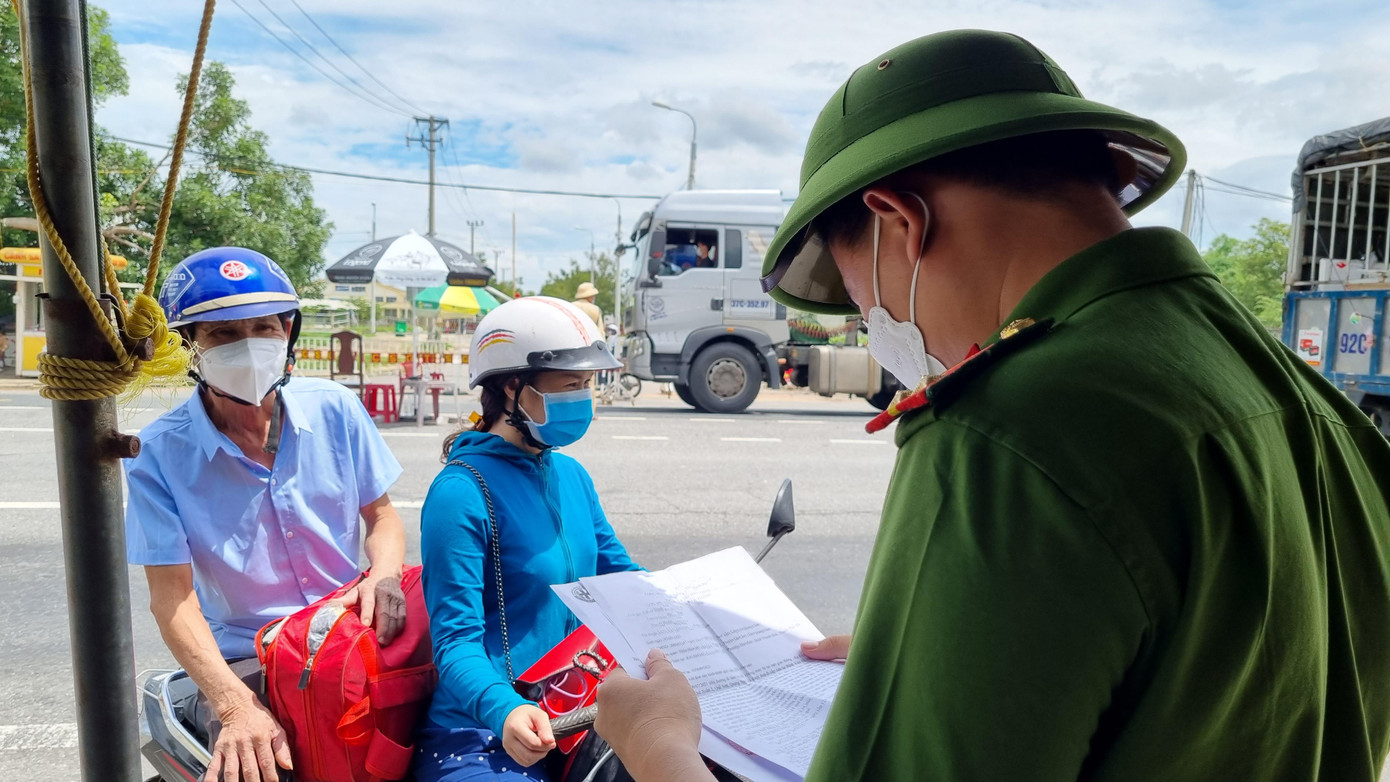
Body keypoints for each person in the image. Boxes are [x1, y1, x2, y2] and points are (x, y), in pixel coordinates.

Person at [593, 29, 1390, 781]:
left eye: (865, 301)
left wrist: (659, 744)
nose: (879, 331)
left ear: (898, 222)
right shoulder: (1311, 401)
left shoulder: (1006, 429)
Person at [125, 247, 409, 782]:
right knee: (255, 765)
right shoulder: (159, 454)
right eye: (223, 334)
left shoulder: (336, 408)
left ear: (288, 335)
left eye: (264, 327)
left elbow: (383, 517)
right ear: (189, 347)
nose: (249, 346)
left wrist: (385, 575)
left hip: (353, 627)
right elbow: (172, 597)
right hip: (249, 657)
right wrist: (233, 706)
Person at [416, 295, 640, 781]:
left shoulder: (571, 475)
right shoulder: (460, 492)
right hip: (485, 734)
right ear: (514, 388)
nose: (585, 398)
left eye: (589, 385)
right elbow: (454, 641)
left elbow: (623, 578)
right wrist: (503, 710)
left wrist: (697, 606)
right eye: (571, 385)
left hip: (577, 714)